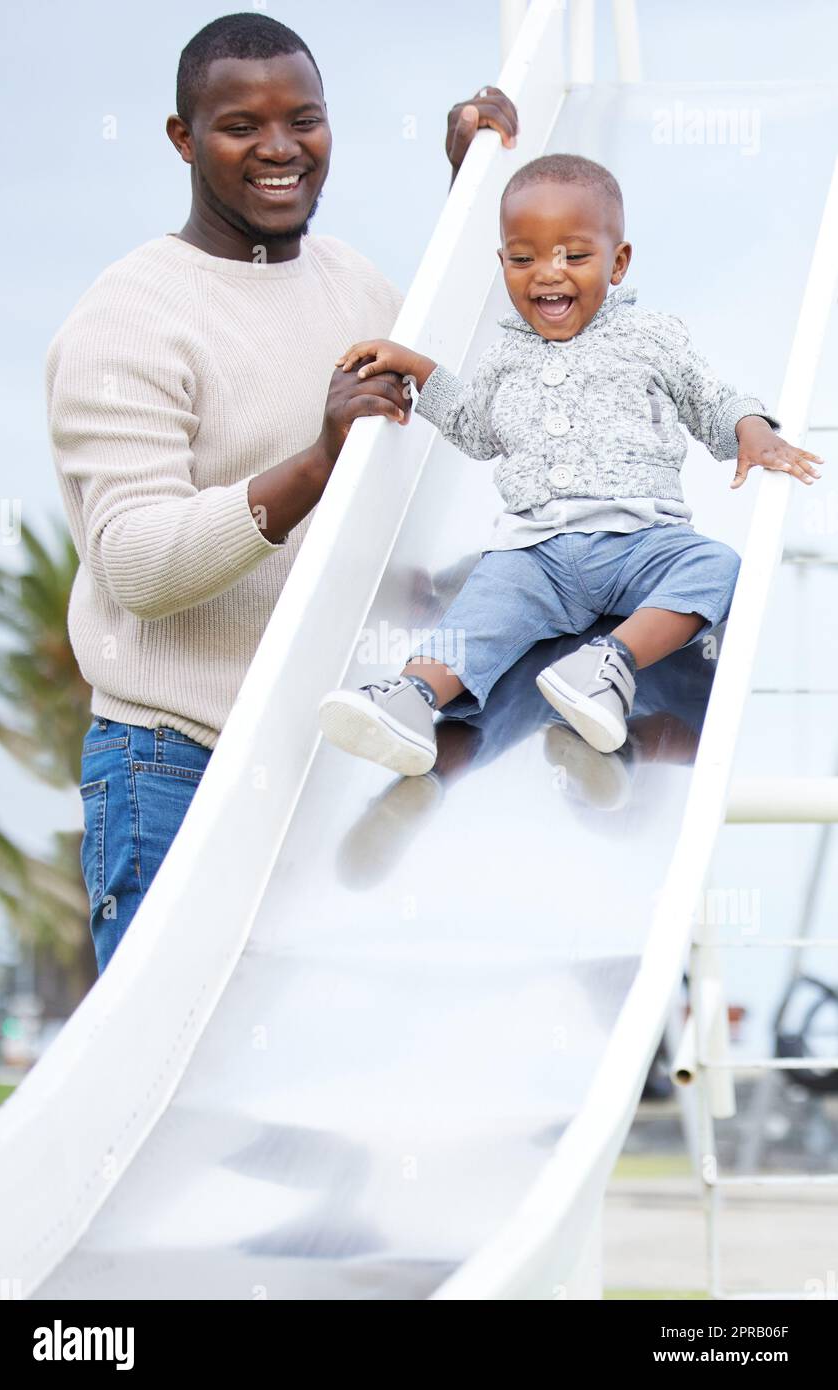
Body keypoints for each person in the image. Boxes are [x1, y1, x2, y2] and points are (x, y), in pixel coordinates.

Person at [48, 11, 518, 974]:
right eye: (239, 126)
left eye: (303, 120)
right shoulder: (127, 320)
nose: (279, 149)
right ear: (183, 139)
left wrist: (477, 192)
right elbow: (135, 564)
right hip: (176, 766)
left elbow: (483, 396)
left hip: (325, 764)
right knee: (167, 1098)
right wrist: (318, 459)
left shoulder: (354, 284)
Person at [318, 153, 823, 775]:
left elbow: (707, 398)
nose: (546, 274)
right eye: (523, 258)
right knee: (479, 614)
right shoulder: (507, 355)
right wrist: (419, 369)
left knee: (717, 568)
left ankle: (609, 662)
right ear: (502, 263)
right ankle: (410, 699)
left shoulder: (650, 336)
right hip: (535, 554)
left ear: (618, 263)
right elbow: (478, 431)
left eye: (574, 256)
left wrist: (752, 428)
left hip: (641, 537)